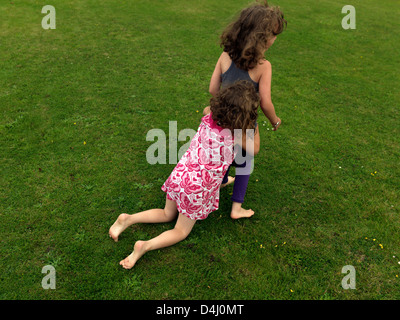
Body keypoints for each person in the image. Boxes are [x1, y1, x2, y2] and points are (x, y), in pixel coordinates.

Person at [109, 81, 260, 269]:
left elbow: (208, 108)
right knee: (180, 231)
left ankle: (128, 218)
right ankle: (144, 246)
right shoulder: (238, 134)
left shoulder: (209, 115)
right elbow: (255, 149)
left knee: (166, 214)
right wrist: (253, 125)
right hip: (196, 189)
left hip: (181, 174)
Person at [204, 1, 286, 219]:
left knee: (223, 151)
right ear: (262, 39)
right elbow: (266, 102)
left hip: (221, 119)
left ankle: (220, 181)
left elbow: (213, 89)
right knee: (245, 159)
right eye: (274, 34)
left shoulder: (225, 55)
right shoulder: (263, 66)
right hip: (245, 123)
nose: (275, 39)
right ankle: (236, 208)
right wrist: (275, 120)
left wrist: (223, 108)